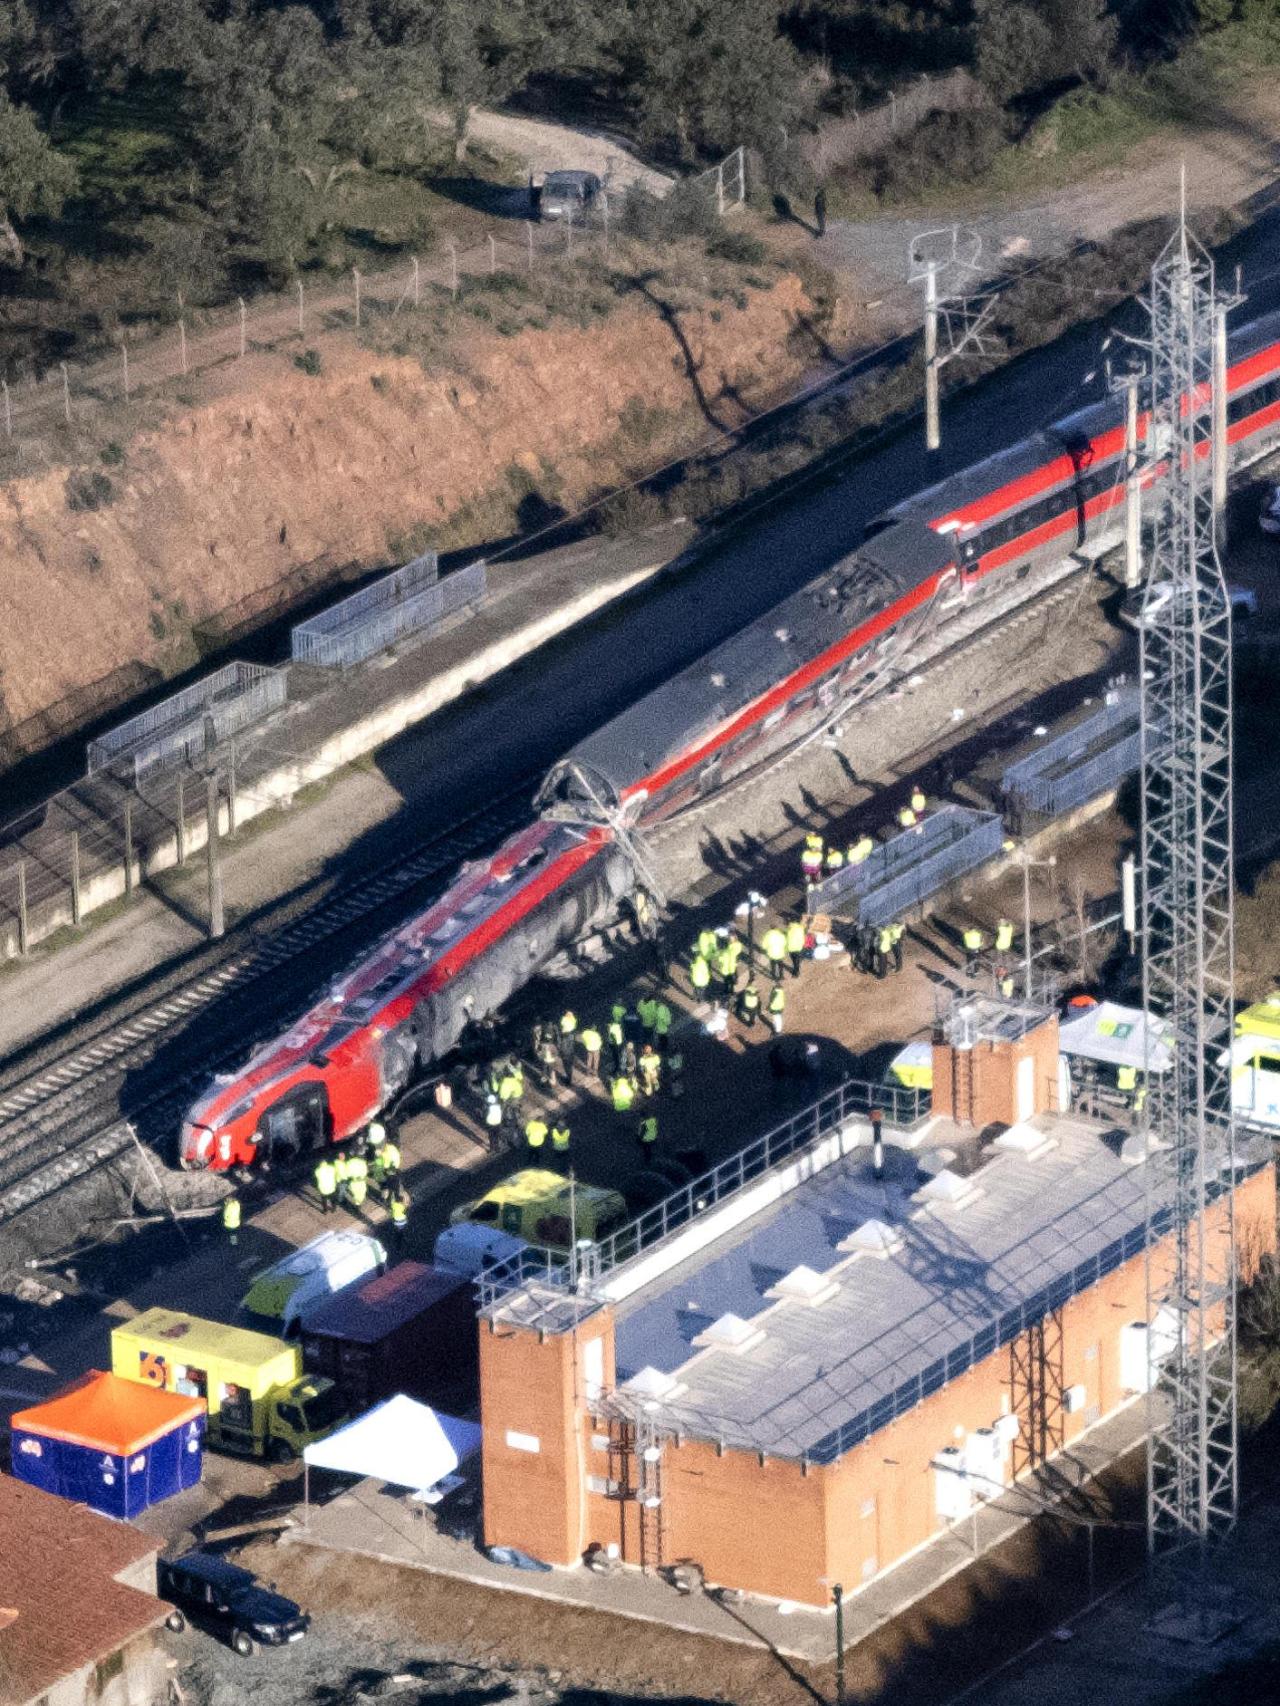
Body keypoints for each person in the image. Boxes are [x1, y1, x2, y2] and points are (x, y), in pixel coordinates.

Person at [388, 1184, 410, 1258]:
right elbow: (406, 1204)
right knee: (402, 1231)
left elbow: (392, 1200)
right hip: (403, 1220)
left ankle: (399, 1245)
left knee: (398, 1233)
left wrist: (393, 1194)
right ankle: (403, 1241)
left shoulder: (394, 1205)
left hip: (397, 1221)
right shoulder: (402, 1206)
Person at [558, 1010, 578, 1085]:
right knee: (569, 1066)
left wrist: (561, 1052)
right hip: (571, 1053)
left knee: (567, 1067)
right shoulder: (573, 1021)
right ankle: (569, 1078)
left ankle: (568, 1080)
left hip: (566, 1054)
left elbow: (563, 1047)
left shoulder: (564, 1020)